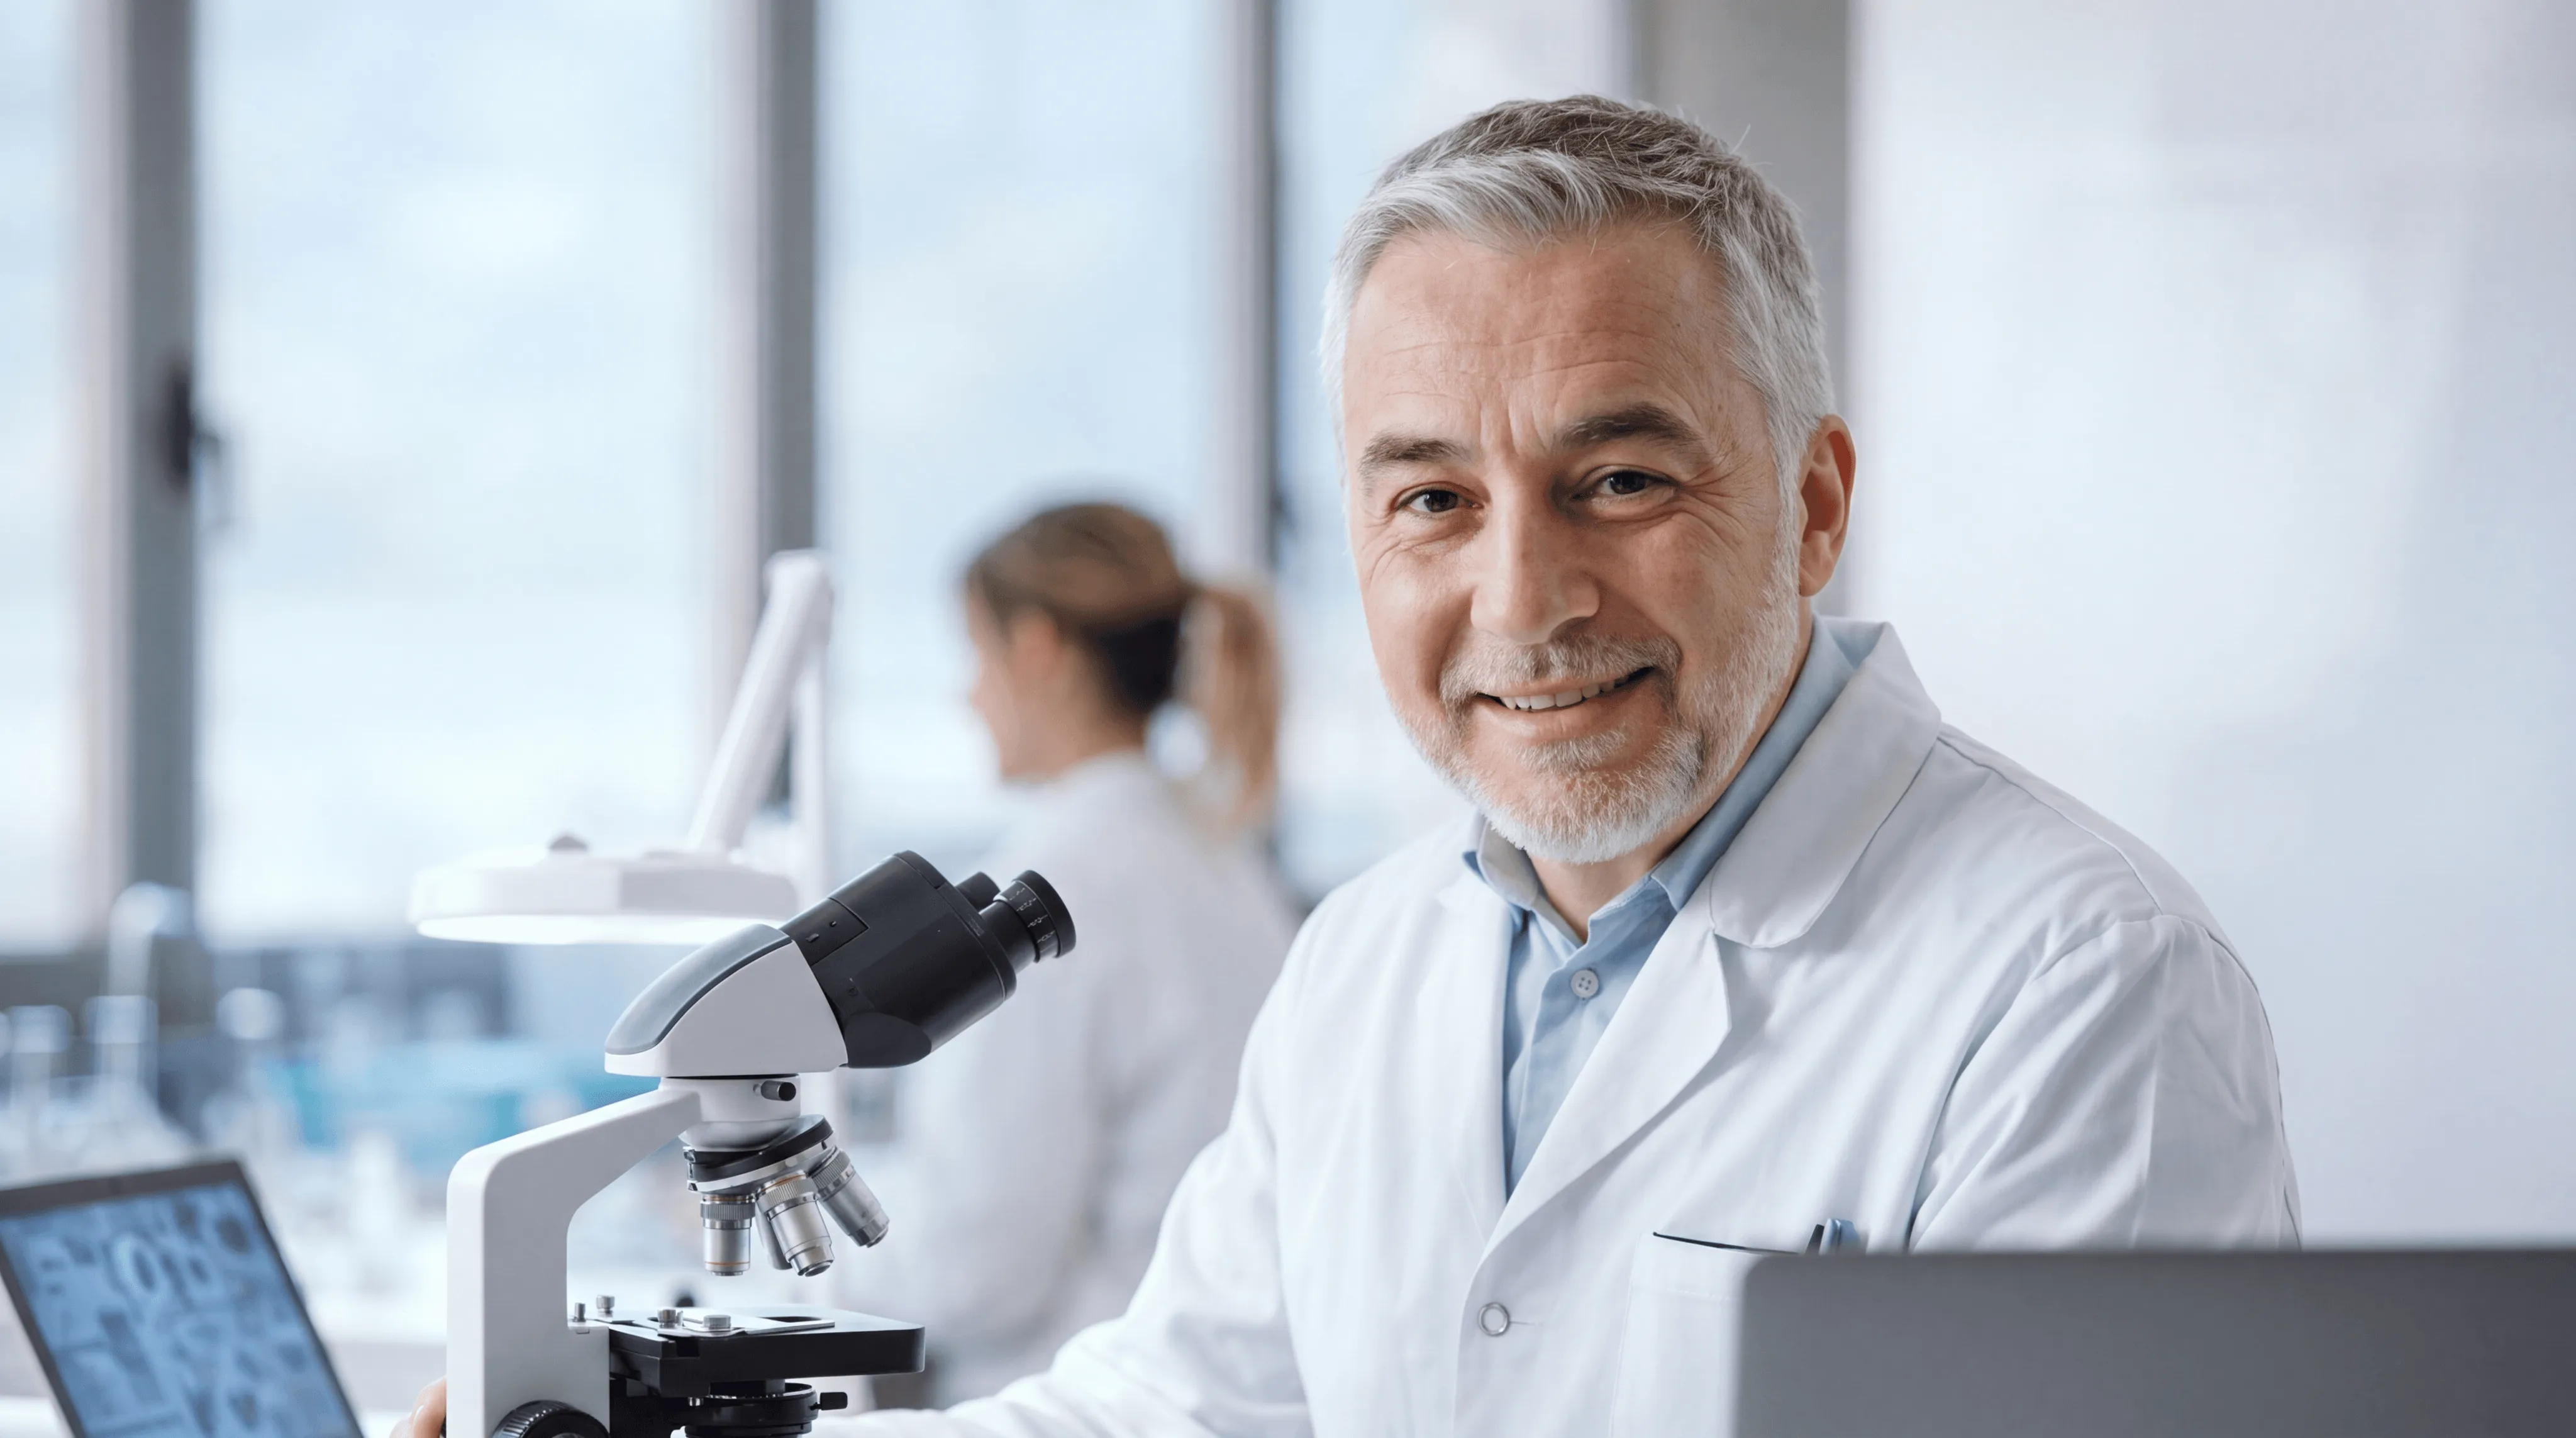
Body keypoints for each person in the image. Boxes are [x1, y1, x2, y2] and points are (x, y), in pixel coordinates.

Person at [398, 95, 2295, 1438]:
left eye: (1620, 480)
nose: (1523, 597)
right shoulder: (1378, 953)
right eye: (1432, 499)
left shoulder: (2079, 983)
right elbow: (1186, 1404)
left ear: (1809, 505)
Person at [838, 502, 1301, 1403]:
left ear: (1039, 648)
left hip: (1077, 1396)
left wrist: (775, 1270)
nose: (968, 695)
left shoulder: (1047, 885)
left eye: (976, 654)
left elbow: (975, 1261)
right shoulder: (1226, 865)